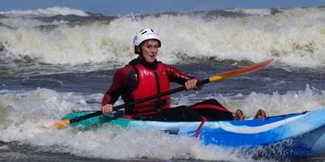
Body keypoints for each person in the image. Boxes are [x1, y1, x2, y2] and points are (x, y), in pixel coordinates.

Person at [101, 28, 265, 122]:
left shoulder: (165, 69)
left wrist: (192, 83)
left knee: (210, 103)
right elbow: (111, 94)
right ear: (138, 48)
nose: (153, 51)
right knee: (184, 112)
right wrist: (106, 106)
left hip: (165, 116)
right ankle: (223, 128)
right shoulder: (126, 72)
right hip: (144, 119)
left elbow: (190, 79)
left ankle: (236, 121)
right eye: (148, 46)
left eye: (155, 47)